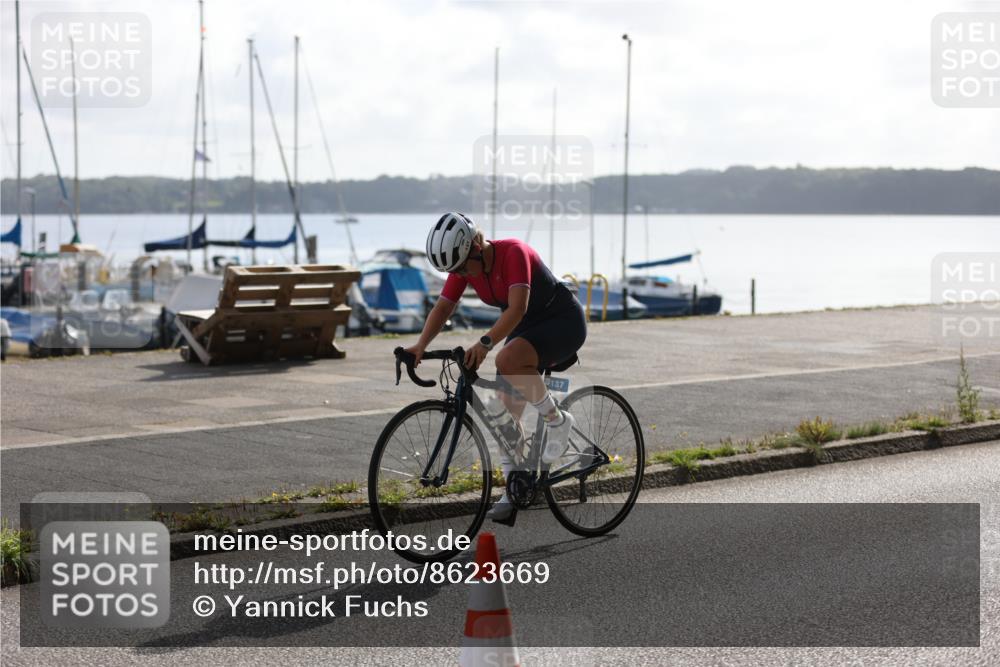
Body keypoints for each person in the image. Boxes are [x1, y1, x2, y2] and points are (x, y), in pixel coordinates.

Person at [404, 212, 587, 523]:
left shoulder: (512, 253)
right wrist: (420, 345)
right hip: (525, 328)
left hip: (562, 321)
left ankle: (557, 420)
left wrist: (485, 343)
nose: (461, 273)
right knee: (504, 418)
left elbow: (518, 308)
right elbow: (445, 305)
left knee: (506, 358)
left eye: (463, 266)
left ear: (477, 244)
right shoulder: (463, 264)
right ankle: (514, 490)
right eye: (455, 270)